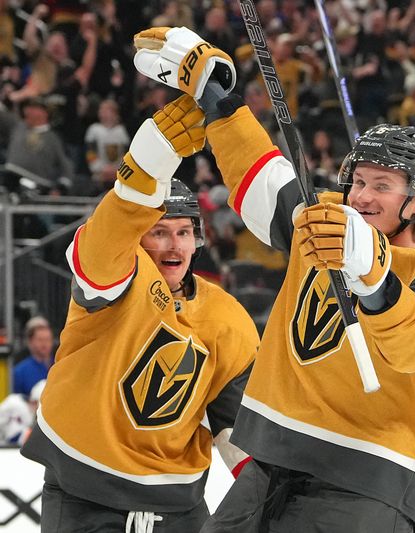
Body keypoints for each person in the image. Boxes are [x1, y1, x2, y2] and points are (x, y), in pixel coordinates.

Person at [131, 25, 415, 533]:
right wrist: (218, 97)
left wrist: (370, 270)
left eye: (382, 186)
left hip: (365, 476)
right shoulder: (321, 219)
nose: (363, 196)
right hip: (272, 460)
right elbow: (259, 175)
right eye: (359, 181)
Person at [21, 93, 260, 532]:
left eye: (184, 233)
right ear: (137, 238)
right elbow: (103, 241)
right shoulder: (115, 278)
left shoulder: (226, 316)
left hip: (179, 507)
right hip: (83, 494)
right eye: (159, 232)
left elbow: (239, 430)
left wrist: (276, 497)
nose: (174, 245)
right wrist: (143, 173)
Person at [12, 316, 54, 397]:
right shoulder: (19, 372)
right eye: (40, 340)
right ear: (30, 342)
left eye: (48, 339)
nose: (44, 344)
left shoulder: (60, 365)